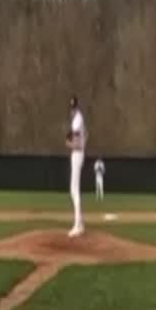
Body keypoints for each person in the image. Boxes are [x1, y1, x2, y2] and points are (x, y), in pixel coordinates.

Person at [67, 96, 87, 237]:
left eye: (73, 108)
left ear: (76, 108)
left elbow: (78, 145)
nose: (72, 110)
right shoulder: (80, 118)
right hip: (79, 154)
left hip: (77, 155)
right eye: (72, 108)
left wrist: (68, 143)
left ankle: (77, 226)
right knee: (74, 190)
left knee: (74, 190)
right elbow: (86, 134)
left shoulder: (76, 121)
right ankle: (80, 223)